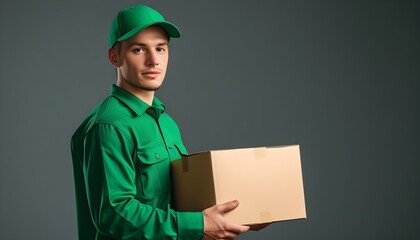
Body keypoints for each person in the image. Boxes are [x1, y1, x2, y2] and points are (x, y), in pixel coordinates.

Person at [71, 4, 250, 240]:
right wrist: (198, 225)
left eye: (161, 48)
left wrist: (233, 218)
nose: (153, 60)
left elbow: (177, 202)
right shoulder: (109, 126)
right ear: (115, 57)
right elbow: (115, 214)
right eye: (138, 50)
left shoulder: (166, 123)